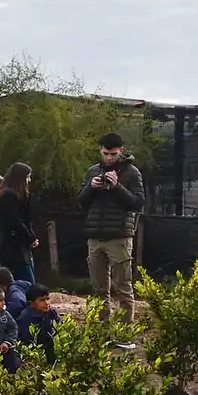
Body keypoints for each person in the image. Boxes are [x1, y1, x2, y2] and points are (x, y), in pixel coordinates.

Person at [78, 132, 146, 322]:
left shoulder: (132, 172)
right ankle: (102, 328)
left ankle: (125, 330)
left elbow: (138, 203)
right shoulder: (92, 171)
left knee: (123, 287)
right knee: (99, 288)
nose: (109, 158)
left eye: (113, 154)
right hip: (95, 235)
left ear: (121, 151)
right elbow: (81, 201)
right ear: (100, 150)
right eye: (106, 153)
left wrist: (117, 187)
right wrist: (91, 187)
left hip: (119, 236)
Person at [0, 163, 39, 284]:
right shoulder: (7, 197)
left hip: (20, 246)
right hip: (12, 248)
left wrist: (32, 237)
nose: (29, 180)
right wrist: (29, 237)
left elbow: (26, 220)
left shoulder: (21, 196)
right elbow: (14, 221)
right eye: (27, 177)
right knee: (26, 283)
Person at [17, 283, 60, 363]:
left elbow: (61, 327)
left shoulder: (51, 312)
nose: (47, 303)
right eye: (42, 300)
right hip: (34, 353)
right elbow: (23, 341)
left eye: (48, 299)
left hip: (51, 348)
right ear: (32, 303)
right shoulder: (25, 317)